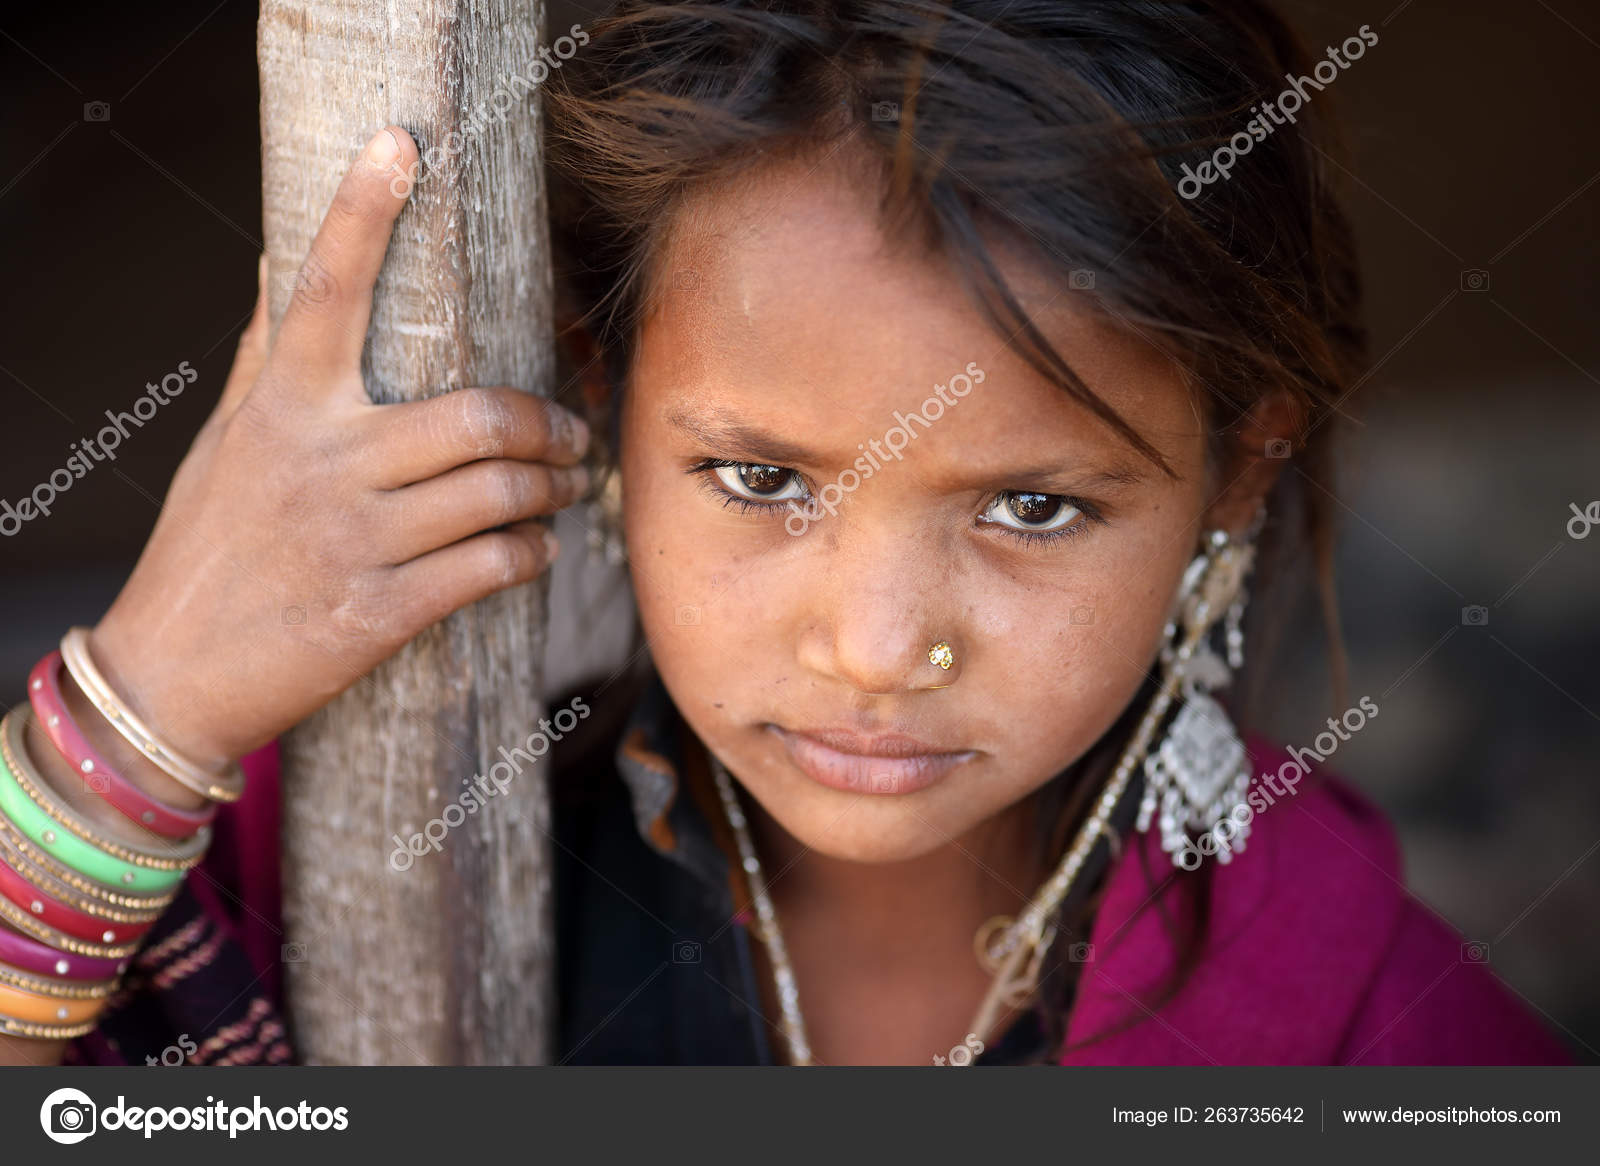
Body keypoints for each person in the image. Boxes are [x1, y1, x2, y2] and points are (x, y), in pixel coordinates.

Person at [0, 0, 1569, 1066]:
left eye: (1034, 505)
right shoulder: (348, 841)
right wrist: (148, 706)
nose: (877, 647)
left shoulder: (1379, 1032)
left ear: (1235, 479)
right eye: (762, 479)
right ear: (607, 401)